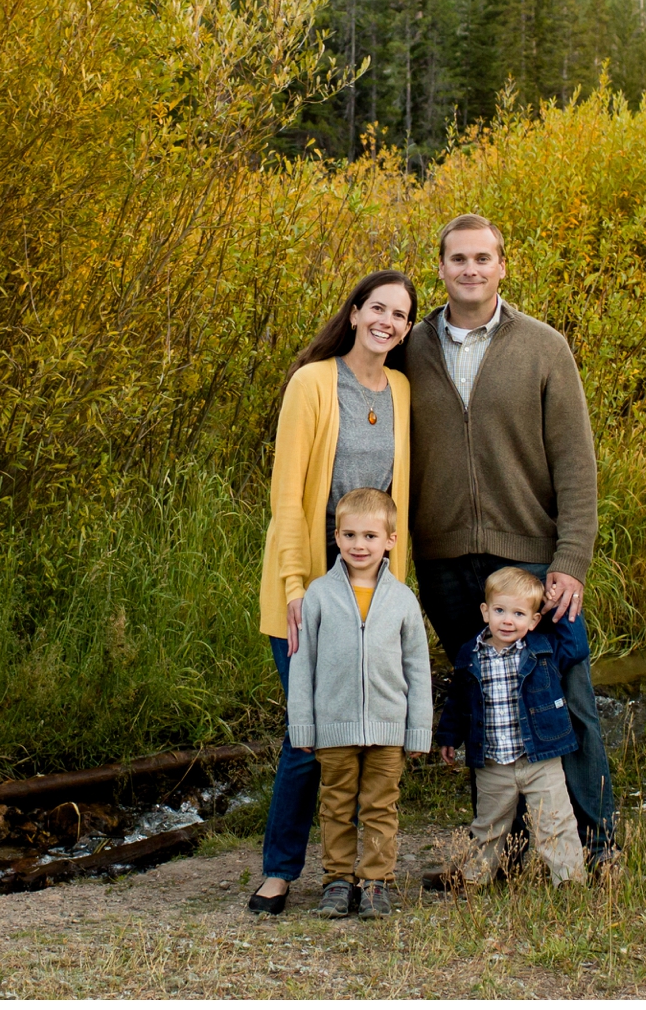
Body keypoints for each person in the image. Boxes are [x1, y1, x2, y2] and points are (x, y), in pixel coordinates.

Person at [399, 213, 615, 864]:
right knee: (484, 696)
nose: (470, 269)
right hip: (445, 560)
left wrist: (571, 560)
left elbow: (576, 464)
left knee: (561, 693)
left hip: (529, 555)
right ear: (439, 268)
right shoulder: (409, 350)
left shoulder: (543, 347)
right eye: (457, 259)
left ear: (502, 266)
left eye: (482, 259)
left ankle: (594, 836)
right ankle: (507, 846)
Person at [248, 271, 417, 915]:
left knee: (367, 736)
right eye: (378, 307)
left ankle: (355, 875)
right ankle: (278, 870)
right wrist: (294, 585)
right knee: (308, 733)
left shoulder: (401, 389)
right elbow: (287, 497)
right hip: (309, 590)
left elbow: (399, 504)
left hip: (372, 594)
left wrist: (399, 596)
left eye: (400, 315)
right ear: (354, 313)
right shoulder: (313, 383)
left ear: (406, 329)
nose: (387, 321)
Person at [284, 486, 434, 918]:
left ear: (390, 539)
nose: (359, 545)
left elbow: (418, 669)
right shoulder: (319, 595)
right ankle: (336, 881)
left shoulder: (402, 599)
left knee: (380, 807)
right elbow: (303, 666)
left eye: (370, 536)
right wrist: (304, 726)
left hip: (387, 727)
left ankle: (374, 882)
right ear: (336, 537)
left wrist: (418, 728)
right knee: (335, 806)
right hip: (334, 727)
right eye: (349, 535)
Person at [434, 565, 588, 888]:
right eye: (500, 610)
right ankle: (474, 879)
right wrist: (449, 736)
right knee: (488, 826)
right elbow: (459, 702)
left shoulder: (542, 650)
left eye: (519, 614)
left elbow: (576, 649)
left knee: (555, 821)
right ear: (485, 611)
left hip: (539, 759)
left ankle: (569, 880)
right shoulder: (471, 655)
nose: (507, 620)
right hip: (493, 763)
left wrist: (558, 607)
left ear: (533, 621)